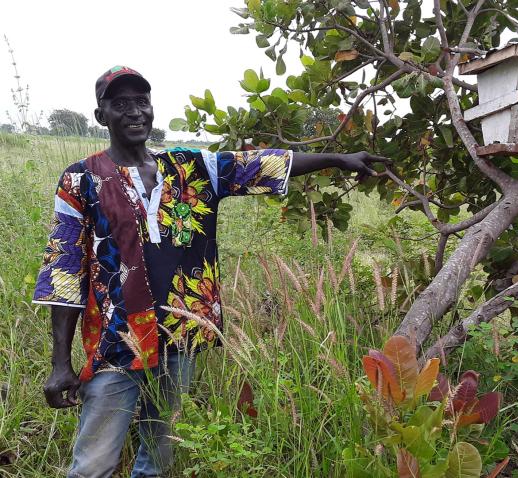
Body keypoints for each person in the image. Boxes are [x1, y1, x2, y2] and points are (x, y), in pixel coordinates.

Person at [33, 65, 386, 478]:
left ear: (152, 110)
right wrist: (61, 362)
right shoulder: (80, 179)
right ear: (102, 115)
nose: (134, 112)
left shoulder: (193, 167)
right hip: (116, 346)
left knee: (159, 457)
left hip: (182, 339)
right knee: (93, 465)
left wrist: (338, 159)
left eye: (141, 102)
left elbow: (262, 165)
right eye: (120, 104)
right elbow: (65, 269)